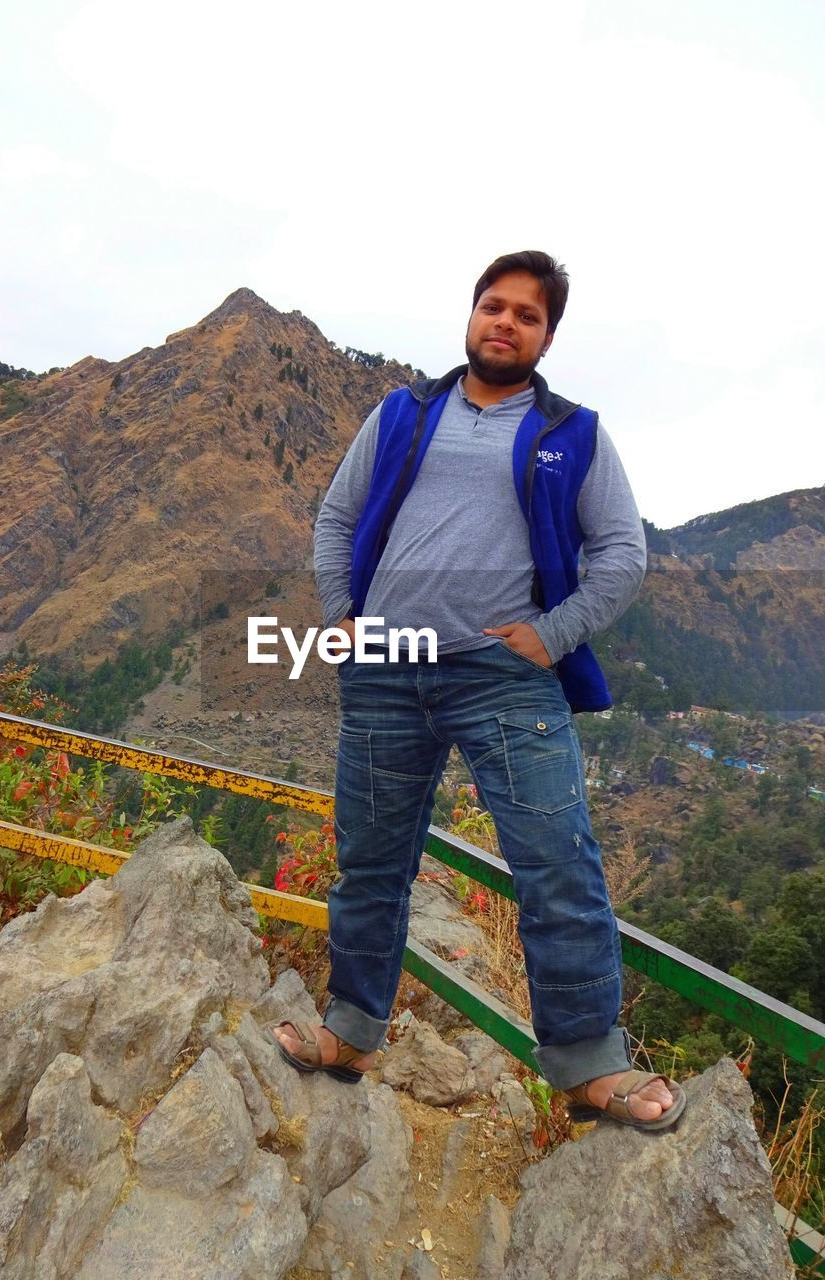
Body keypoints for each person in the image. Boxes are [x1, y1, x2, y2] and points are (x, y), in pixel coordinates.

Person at [271, 251, 685, 1129]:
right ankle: (349, 1033)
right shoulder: (405, 412)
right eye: (493, 307)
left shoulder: (573, 432)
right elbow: (338, 517)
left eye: (526, 315)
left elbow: (622, 551)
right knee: (371, 864)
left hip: (505, 677)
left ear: (546, 335)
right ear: (470, 316)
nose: (505, 323)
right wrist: (343, 617)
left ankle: (588, 1069)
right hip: (386, 670)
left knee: (557, 864)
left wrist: (555, 633)